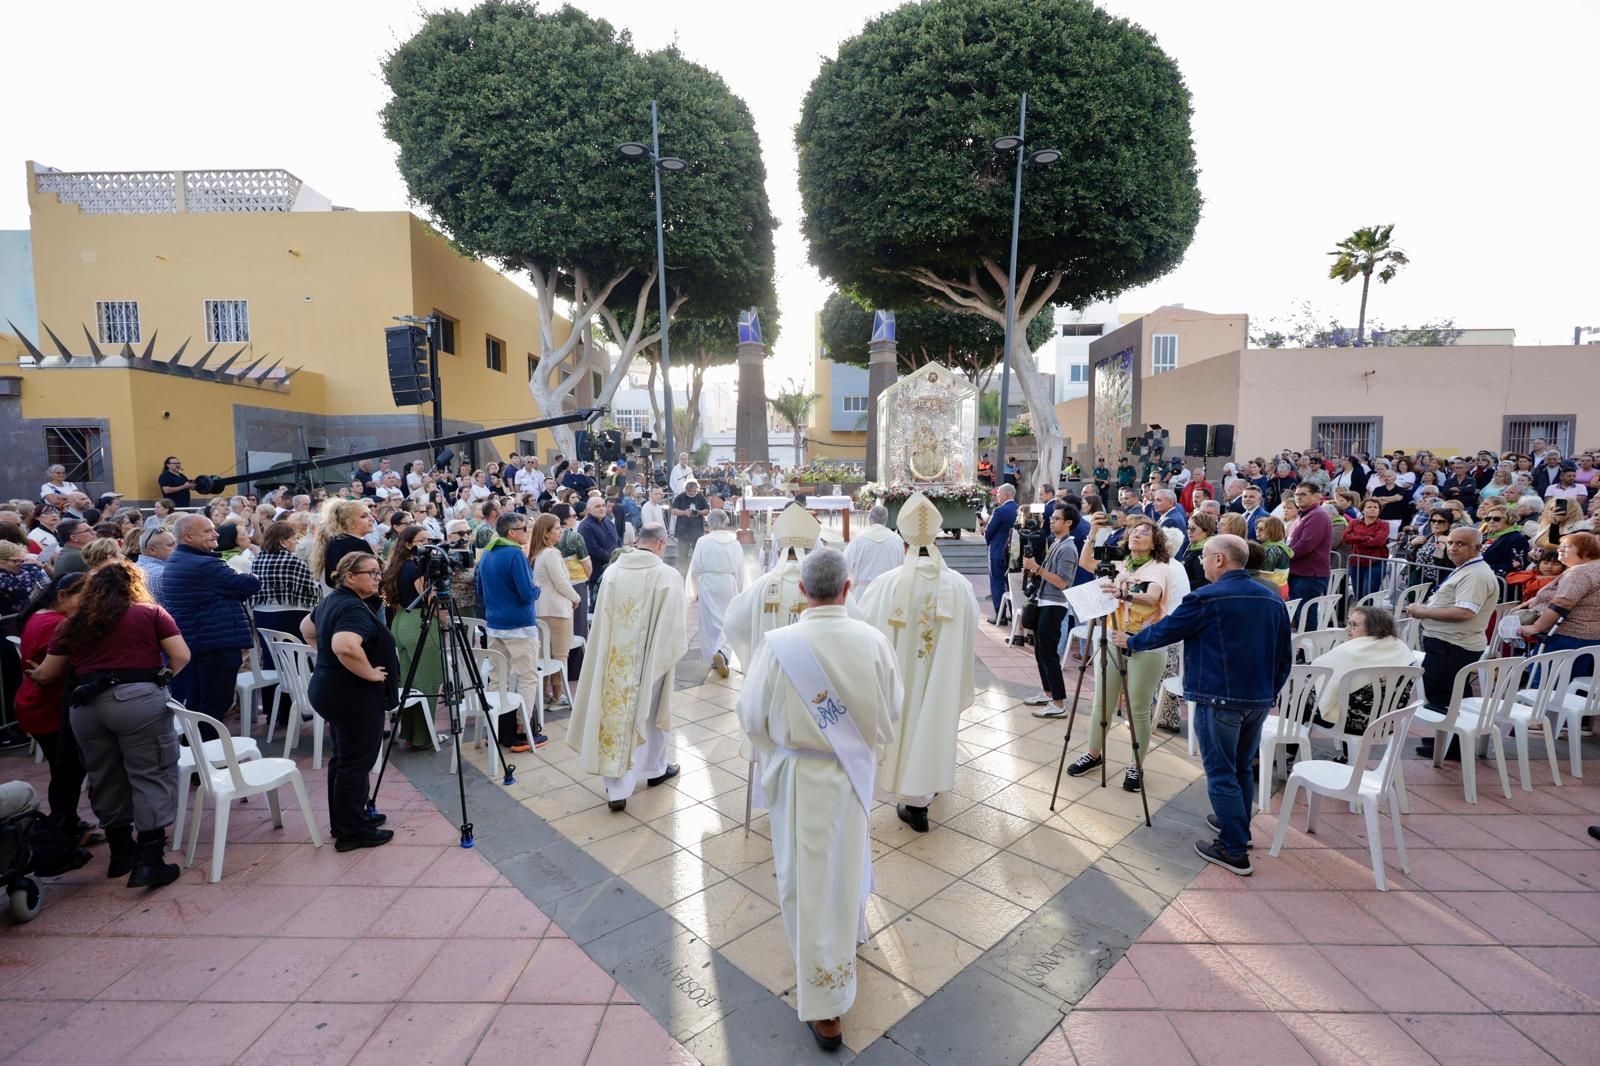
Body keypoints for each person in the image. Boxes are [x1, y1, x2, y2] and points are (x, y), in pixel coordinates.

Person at [736, 548, 900, 1052]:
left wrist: (779, 746)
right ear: (848, 589)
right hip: (849, 772)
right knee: (845, 861)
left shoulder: (780, 643)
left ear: (802, 591)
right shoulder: (872, 640)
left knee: (804, 881)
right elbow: (891, 712)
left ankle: (827, 1010)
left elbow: (752, 716)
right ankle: (848, 935)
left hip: (797, 775)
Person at [1110, 534, 1291, 874]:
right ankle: (1237, 825)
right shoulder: (1271, 596)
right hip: (1257, 697)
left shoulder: (1206, 597)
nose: (1202, 564)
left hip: (1218, 695)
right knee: (1239, 767)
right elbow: (1285, 655)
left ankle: (1234, 849)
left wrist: (1133, 641)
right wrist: (1270, 692)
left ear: (1220, 560)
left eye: (1206, 558)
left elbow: (1168, 629)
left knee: (1222, 772)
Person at [28, 561, 192, 887]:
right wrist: (163, 679)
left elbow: (47, 673)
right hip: (139, 699)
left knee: (104, 776)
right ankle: (150, 861)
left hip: (86, 707)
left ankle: (121, 854)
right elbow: (181, 655)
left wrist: (33, 673)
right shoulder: (150, 613)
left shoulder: (73, 622)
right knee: (151, 773)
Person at [857, 493, 978, 832]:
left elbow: (863, 635)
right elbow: (969, 633)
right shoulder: (960, 586)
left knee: (904, 723)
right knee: (934, 721)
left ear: (903, 538)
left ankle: (912, 800)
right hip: (941, 679)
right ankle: (926, 787)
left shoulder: (885, 585)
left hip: (901, 682)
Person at [566, 524, 687, 811]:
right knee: (651, 714)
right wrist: (662, 660)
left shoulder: (612, 573)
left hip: (612, 661)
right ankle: (655, 771)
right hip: (651, 663)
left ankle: (617, 789)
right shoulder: (667, 576)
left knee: (613, 716)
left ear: (636, 542)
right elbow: (673, 628)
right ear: (660, 544)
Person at [1068, 514, 1175, 791]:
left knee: (1137, 708)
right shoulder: (1121, 564)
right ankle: (1094, 754)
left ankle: (1135, 767)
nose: (1137, 535)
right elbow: (1086, 563)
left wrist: (1122, 593)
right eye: (1134, 532)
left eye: (1144, 533)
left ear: (1155, 543)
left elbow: (1152, 596)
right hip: (1113, 639)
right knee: (1101, 702)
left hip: (1145, 644)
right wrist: (1092, 532)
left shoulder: (1159, 567)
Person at [299, 553, 397, 851]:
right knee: (355, 763)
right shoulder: (352, 607)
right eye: (371, 573)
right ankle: (352, 832)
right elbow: (344, 645)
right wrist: (369, 673)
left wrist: (326, 659)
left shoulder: (333, 600)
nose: (377, 578)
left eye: (379, 573)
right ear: (350, 576)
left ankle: (347, 819)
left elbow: (307, 628)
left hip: (331, 690)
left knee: (344, 759)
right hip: (352, 696)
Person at [160, 514, 261, 737]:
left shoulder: (182, 559)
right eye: (208, 531)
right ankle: (207, 762)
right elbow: (247, 585)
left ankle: (196, 756)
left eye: (213, 529)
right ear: (188, 536)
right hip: (214, 645)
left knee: (199, 702)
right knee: (213, 705)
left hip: (202, 642)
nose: (215, 534)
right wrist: (250, 575)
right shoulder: (204, 564)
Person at [1408, 526, 1499, 758]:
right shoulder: (1468, 570)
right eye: (1451, 543)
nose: (1453, 548)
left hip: (1453, 643)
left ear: (1477, 548)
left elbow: (1464, 612)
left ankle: (1454, 745)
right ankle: (1450, 737)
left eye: (1461, 544)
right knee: (1452, 694)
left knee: (1443, 694)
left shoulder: (1476, 574)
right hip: (1448, 641)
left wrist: (1423, 612)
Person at [14, 573, 89, 840]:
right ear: (63, 596)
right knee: (67, 771)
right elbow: (47, 672)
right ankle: (64, 829)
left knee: (65, 770)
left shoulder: (41, 616)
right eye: (84, 598)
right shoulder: (55, 624)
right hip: (48, 708)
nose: (89, 605)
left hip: (38, 704)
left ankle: (68, 823)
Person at [475, 512, 544, 751]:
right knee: (527, 676)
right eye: (524, 528)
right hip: (519, 625)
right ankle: (521, 731)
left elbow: (481, 591)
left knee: (497, 677)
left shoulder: (487, 553)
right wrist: (537, 590)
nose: (527, 531)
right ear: (511, 533)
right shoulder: (514, 553)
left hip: (495, 624)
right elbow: (526, 593)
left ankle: (495, 728)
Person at [726, 504, 825, 670]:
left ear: (779, 553)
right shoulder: (823, 586)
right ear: (810, 552)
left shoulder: (762, 585)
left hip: (770, 669)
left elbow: (734, 621)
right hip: (812, 675)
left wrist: (752, 641)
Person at [379, 525, 446, 750]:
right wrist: (446, 621)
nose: (428, 544)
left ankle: (411, 734)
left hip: (401, 622)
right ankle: (424, 737)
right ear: (409, 544)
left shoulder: (396, 566)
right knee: (426, 682)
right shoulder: (416, 568)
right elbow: (429, 599)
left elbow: (390, 599)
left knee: (410, 684)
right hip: (420, 623)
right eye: (422, 540)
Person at [1311, 606, 1416, 740]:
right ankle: (1345, 754)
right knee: (1346, 693)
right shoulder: (1399, 646)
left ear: (1374, 628)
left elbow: (1319, 670)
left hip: (1356, 722)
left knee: (1296, 693)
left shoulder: (1351, 652)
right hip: (1390, 719)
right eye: (1348, 623)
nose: (1348, 628)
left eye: (1354, 625)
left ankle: (1292, 748)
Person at [1020, 505, 1080, 719]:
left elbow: (1063, 582)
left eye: (1056, 518)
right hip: (1044, 601)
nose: (1051, 521)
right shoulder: (1057, 543)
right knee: (1040, 652)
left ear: (1068, 523)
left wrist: (1037, 568)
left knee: (1049, 654)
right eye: (1051, 518)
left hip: (1055, 605)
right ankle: (1048, 693)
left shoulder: (1068, 549)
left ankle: (1058, 703)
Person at [1516, 532, 1600, 675]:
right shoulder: (1593, 569)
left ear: (1585, 552)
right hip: (1589, 638)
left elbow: (1563, 602)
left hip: (1567, 638)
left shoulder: (1580, 572)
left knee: (1545, 684)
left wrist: (1537, 626)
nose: (1559, 549)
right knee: (1571, 688)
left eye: (1566, 547)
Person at [687, 509, 747, 678]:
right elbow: (740, 569)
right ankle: (722, 653)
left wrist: (694, 590)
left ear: (709, 523)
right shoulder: (734, 542)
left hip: (708, 583)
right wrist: (741, 590)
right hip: (728, 583)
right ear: (726, 523)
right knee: (728, 620)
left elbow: (695, 568)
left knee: (711, 622)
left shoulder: (702, 541)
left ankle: (716, 655)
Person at [529, 513, 581, 706]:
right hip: (557, 611)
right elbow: (560, 582)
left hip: (543, 610)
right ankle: (558, 696)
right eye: (557, 528)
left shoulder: (540, 554)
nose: (561, 531)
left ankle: (545, 695)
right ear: (546, 533)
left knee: (546, 655)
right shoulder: (551, 553)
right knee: (560, 655)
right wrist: (576, 597)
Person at [249, 521, 319, 648]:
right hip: (289, 614)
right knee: (295, 656)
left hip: (261, 614)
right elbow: (311, 591)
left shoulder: (257, 559)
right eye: (294, 539)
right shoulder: (292, 561)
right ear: (282, 542)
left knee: (270, 655)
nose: (296, 542)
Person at [1287, 483, 1333, 620]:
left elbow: (1305, 546)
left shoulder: (1317, 516)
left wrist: (1283, 555)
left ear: (1316, 496)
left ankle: (1309, 641)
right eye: (1296, 494)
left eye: (1303, 494)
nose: (1298, 497)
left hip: (1309, 575)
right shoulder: (1303, 515)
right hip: (1299, 572)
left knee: (1305, 617)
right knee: (1299, 616)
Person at [308, 500, 376, 591]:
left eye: (370, 514)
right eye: (363, 516)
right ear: (349, 522)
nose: (372, 519)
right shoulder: (358, 545)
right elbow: (373, 580)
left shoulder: (335, 542)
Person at [844, 504, 905, 593]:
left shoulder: (858, 540)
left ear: (870, 519)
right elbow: (904, 566)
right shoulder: (897, 540)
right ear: (886, 520)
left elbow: (845, 564)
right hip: (888, 591)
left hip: (864, 591)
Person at [1343, 498, 1392, 602]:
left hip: (1375, 563)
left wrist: (1356, 538)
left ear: (1379, 510)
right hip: (1356, 562)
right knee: (1359, 595)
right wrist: (1366, 538)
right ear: (1362, 510)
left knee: (1368, 596)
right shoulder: (1354, 522)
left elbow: (1378, 542)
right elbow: (1346, 537)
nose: (1373, 509)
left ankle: (1368, 618)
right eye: (1369, 507)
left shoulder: (1384, 524)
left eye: (1375, 507)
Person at [984, 484, 1018, 624]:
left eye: (998, 495)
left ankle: (1000, 615)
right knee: (1011, 582)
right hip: (1014, 552)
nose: (997, 497)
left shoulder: (1000, 511)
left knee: (997, 582)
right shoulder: (1020, 509)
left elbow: (989, 531)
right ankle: (1014, 612)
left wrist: (986, 538)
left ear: (1005, 495)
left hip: (998, 551)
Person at [578, 496, 621, 595]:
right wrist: (613, 559)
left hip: (614, 570)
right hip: (597, 574)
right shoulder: (585, 527)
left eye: (603, 506)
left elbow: (617, 541)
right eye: (597, 506)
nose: (601, 508)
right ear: (589, 509)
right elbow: (593, 549)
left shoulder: (609, 523)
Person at [670, 479, 710, 567]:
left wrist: (698, 512)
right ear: (686, 490)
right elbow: (673, 510)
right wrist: (685, 513)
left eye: (695, 491)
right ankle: (683, 573)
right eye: (691, 491)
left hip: (697, 530)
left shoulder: (700, 497)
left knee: (698, 554)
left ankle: (697, 572)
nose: (693, 493)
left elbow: (707, 510)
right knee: (683, 555)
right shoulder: (680, 497)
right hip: (683, 530)